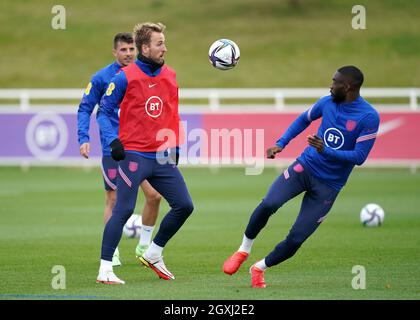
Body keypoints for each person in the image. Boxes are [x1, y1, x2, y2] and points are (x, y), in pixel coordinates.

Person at [223, 66, 380, 288]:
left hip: (329, 185)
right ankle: (243, 250)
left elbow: (359, 156)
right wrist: (280, 143)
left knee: (296, 239)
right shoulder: (327, 102)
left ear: (347, 87)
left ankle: (259, 268)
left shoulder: (368, 116)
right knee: (269, 203)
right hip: (304, 167)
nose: (330, 85)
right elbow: (303, 120)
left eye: (334, 82)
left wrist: (325, 150)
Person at [95, 22, 194, 285]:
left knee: (185, 205)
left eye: (164, 42)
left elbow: (172, 114)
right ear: (145, 47)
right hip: (134, 155)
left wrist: (176, 146)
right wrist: (112, 140)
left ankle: (154, 252)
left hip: (162, 156)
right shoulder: (124, 77)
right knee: (124, 209)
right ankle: (105, 268)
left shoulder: (170, 76)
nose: (164, 48)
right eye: (159, 43)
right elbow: (103, 112)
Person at [77, 33, 162, 267]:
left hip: (142, 147)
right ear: (114, 52)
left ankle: (144, 247)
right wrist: (83, 137)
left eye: (131, 49)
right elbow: (85, 108)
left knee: (154, 196)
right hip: (114, 149)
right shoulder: (101, 78)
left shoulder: (145, 73)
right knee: (113, 200)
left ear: (138, 50)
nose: (128, 54)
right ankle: (111, 251)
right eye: (123, 50)